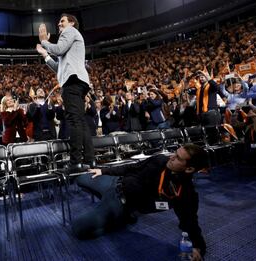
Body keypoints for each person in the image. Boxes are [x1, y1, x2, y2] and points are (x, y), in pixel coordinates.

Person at [72, 144, 208, 260]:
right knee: (80, 179)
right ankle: (109, 209)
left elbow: (190, 221)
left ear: (189, 169)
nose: (171, 157)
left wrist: (198, 246)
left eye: (178, 158)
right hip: (115, 183)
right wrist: (103, 171)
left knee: (79, 229)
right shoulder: (160, 160)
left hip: (120, 203)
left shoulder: (185, 194)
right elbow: (133, 167)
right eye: (175, 152)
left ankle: (119, 220)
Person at [36, 13, 95, 172]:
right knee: (80, 121)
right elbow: (59, 68)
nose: (59, 24)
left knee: (74, 121)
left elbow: (59, 49)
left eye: (62, 21)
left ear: (72, 23)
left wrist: (44, 41)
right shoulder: (71, 38)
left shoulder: (69, 31)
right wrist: (45, 55)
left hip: (72, 82)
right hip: (76, 81)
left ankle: (75, 162)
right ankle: (90, 160)